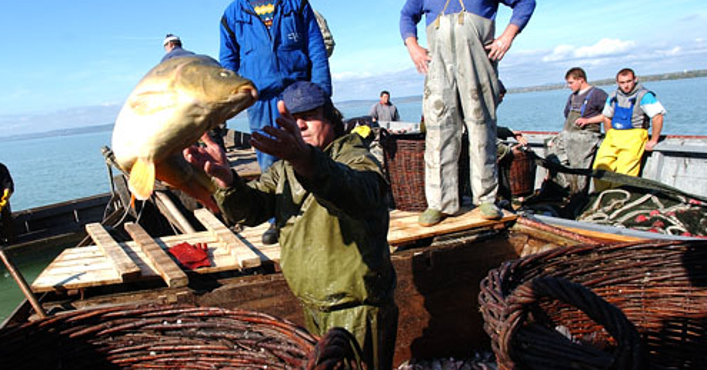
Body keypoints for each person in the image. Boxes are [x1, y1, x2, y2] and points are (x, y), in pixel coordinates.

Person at [184, 81, 397, 370]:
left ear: (330, 117)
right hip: (311, 306)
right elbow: (251, 209)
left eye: (309, 116)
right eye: (293, 120)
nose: (301, 126)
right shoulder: (282, 170)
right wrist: (227, 180)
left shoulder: (355, 157)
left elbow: (361, 193)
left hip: (357, 310)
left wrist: (305, 160)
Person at [400, 0, 536, 226]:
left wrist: (507, 37)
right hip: (439, 67)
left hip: (478, 63)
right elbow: (407, 15)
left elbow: (525, 2)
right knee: (438, 132)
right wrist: (413, 46)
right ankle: (439, 203)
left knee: (482, 128)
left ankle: (485, 198)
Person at [220, 0, 331, 244]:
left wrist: (321, 93)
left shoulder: (297, 4)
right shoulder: (232, 14)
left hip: (298, 93)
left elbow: (316, 48)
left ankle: (322, 213)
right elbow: (228, 62)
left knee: (310, 153)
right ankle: (277, 221)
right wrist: (232, 100)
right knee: (269, 161)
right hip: (260, 101)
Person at [592, 68, 666, 191]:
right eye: (622, 82)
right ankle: (602, 196)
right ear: (617, 82)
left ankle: (620, 199)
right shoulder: (613, 96)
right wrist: (609, 134)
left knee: (624, 173)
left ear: (635, 80)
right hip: (614, 135)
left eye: (629, 81)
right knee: (599, 168)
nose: (626, 85)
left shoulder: (645, 96)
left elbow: (657, 117)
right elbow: (606, 117)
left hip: (634, 136)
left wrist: (653, 140)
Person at [543, 67, 608, 194]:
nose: (569, 86)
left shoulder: (597, 94)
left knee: (579, 168)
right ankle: (564, 189)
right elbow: (568, 117)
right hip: (568, 135)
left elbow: (608, 115)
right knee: (553, 158)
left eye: (571, 82)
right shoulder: (572, 97)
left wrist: (588, 120)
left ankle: (578, 194)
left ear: (581, 80)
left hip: (586, 137)